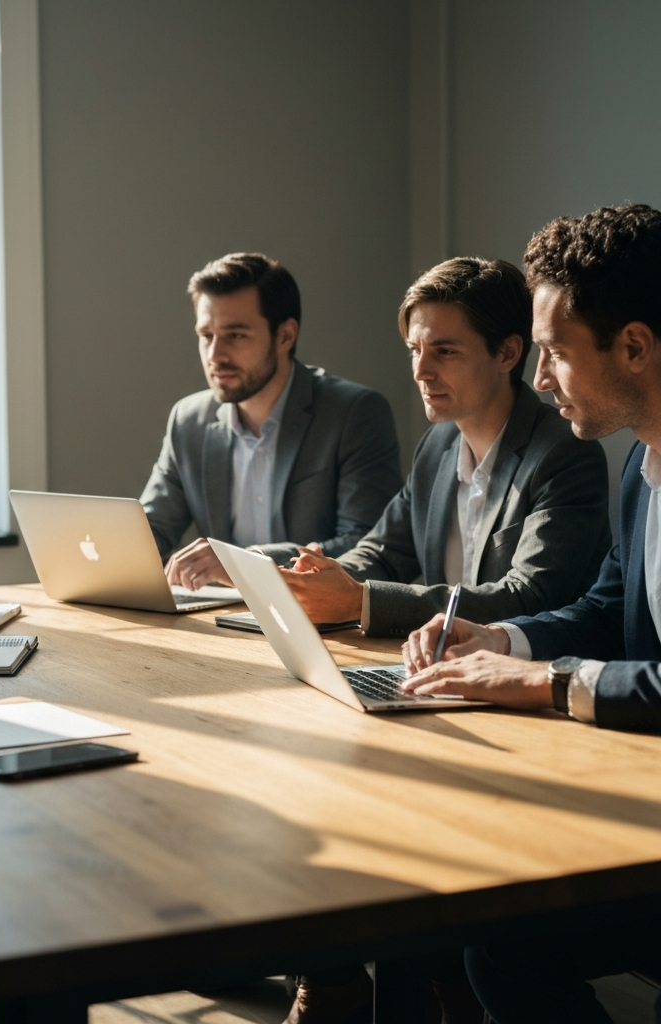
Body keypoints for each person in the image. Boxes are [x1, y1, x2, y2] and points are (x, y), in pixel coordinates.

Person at [399, 204, 661, 1023]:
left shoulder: (588, 458)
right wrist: (498, 640)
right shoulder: (638, 470)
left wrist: (548, 681)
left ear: (635, 346)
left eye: (552, 353)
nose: (540, 380)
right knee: (498, 940)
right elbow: (608, 606)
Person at [278, 257, 611, 636]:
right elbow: (384, 553)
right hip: (435, 664)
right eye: (415, 349)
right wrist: (320, 577)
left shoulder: (564, 451)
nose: (421, 371)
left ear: (507, 354)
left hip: (528, 679)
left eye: (445, 351)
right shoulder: (438, 445)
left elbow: (529, 597)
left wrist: (359, 600)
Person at [140, 252, 402, 591]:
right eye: (206, 335)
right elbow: (154, 529)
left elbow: (369, 548)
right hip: (224, 619)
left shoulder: (354, 413)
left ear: (285, 336)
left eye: (235, 336)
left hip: (318, 624)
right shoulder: (189, 420)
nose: (215, 355)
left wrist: (243, 562)